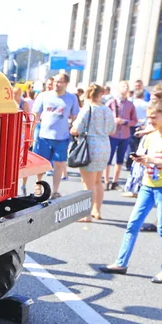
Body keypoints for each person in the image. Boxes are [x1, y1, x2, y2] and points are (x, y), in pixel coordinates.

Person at [100, 102, 162, 284]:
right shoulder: (150, 137)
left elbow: (155, 159)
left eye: (154, 117)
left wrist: (151, 160)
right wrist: (142, 161)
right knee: (132, 224)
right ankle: (121, 263)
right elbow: (149, 159)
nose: (150, 120)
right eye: (149, 117)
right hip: (147, 186)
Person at [70, 84, 115, 222]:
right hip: (104, 146)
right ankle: (97, 210)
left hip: (90, 147)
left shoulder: (87, 109)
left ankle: (86, 214)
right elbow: (112, 130)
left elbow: (76, 129)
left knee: (87, 183)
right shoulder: (107, 110)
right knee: (97, 181)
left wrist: (72, 129)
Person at [32, 73, 80, 199]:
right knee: (42, 164)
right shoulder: (44, 96)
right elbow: (35, 113)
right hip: (44, 136)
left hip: (62, 137)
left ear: (66, 84)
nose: (56, 84)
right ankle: (38, 185)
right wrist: (32, 131)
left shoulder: (71, 98)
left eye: (59, 82)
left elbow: (75, 116)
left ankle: (55, 190)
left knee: (59, 164)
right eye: (55, 81)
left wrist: (75, 126)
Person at [105, 81, 137, 190]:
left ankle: (115, 181)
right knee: (108, 160)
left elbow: (134, 121)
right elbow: (104, 116)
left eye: (127, 87)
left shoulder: (130, 105)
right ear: (118, 88)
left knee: (120, 159)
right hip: (112, 135)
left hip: (125, 135)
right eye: (123, 86)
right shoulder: (111, 102)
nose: (125, 88)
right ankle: (106, 181)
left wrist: (124, 121)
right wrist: (113, 121)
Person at [14, 87, 31, 196]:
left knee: (23, 161)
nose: (14, 95)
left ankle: (23, 185)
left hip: (21, 135)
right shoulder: (8, 104)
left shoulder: (24, 104)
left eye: (16, 94)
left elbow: (28, 120)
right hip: (14, 134)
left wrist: (29, 137)